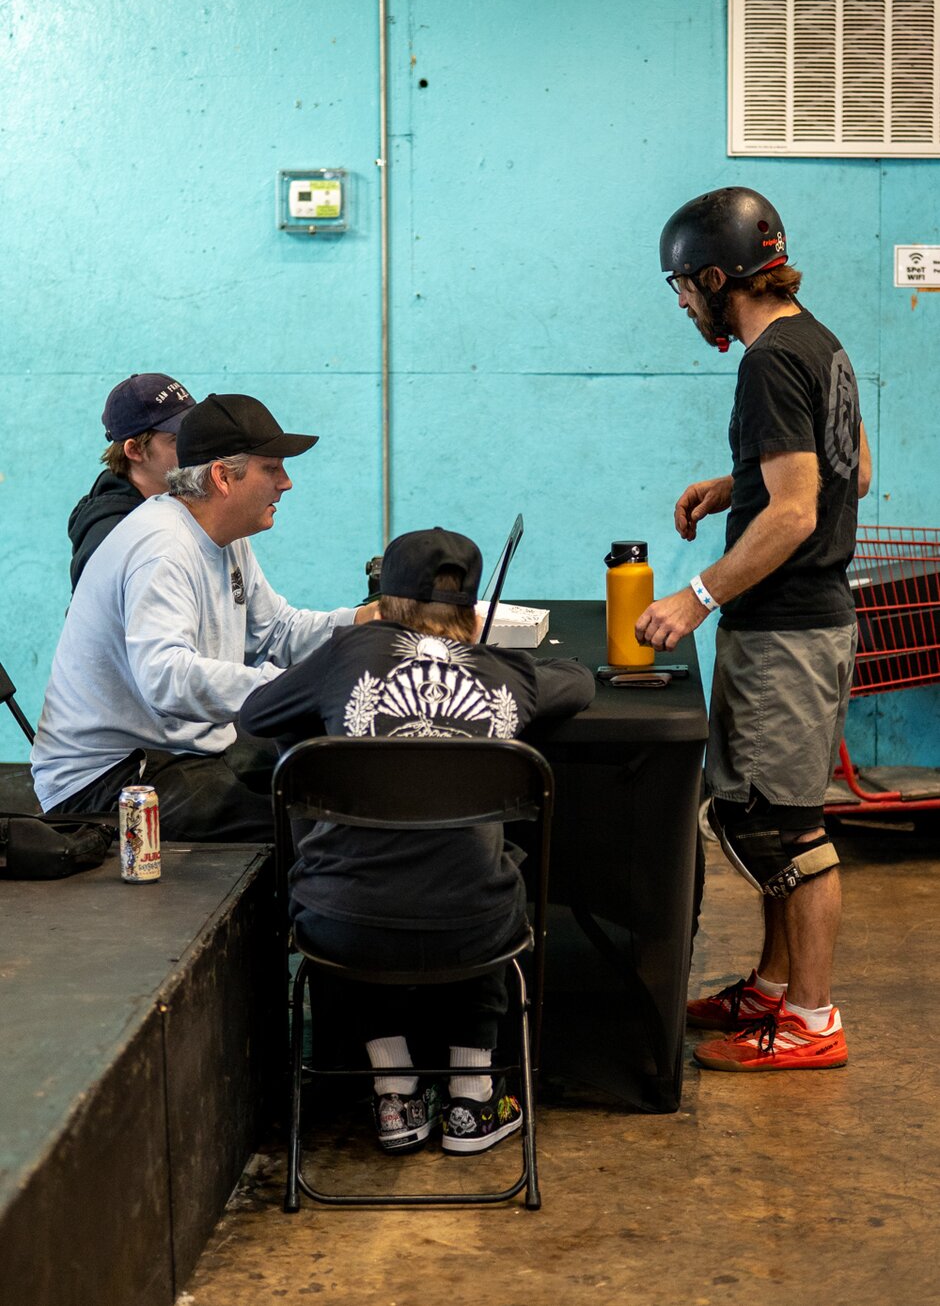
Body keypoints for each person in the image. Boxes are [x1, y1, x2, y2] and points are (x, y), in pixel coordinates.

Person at [240, 527, 595, 1153]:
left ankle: (395, 1092)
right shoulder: (508, 674)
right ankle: (473, 1097)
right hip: (475, 927)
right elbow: (580, 682)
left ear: (384, 603)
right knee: (484, 867)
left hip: (341, 927)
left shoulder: (345, 657)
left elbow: (256, 715)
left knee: (354, 875)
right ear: (475, 609)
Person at [638, 186, 872, 1072]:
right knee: (764, 815)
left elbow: (800, 512)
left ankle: (811, 1020)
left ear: (711, 275)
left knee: (787, 830)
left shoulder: (768, 360)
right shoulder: (823, 344)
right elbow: (851, 467)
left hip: (787, 628)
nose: (685, 305)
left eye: (682, 288)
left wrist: (695, 596)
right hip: (803, 624)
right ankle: (772, 989)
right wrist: (733, 482)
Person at [32, 393, 378, 841]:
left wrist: (364, 623)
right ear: (222, 478)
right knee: (307, 826)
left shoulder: (225, 536)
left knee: (321, 767)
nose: (286, 482)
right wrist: (297, 689)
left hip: (176, 746)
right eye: (271, 469)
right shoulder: (162, 548)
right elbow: (166, 678)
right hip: (105, 779)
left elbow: (276, 632)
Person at [68, 373, 196, 591]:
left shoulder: (180, 501)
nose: (194, 446)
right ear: (135, 450)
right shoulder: (111, 538)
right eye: (176, 439)